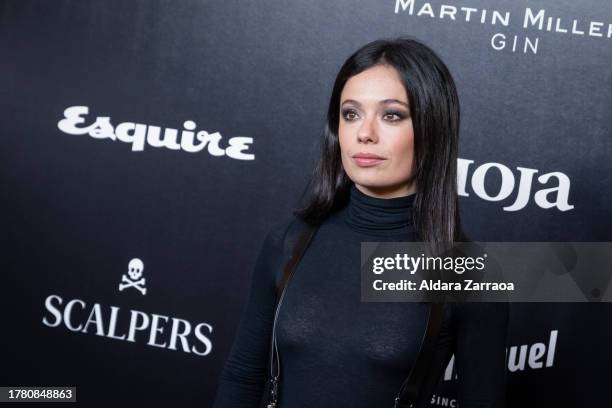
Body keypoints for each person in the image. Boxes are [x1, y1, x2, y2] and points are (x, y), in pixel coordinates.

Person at [212, 37, 509, 408]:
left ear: (432, 128)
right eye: (350, 113)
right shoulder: (290, 241)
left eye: (392, 115)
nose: (364, 133)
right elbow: (241, 376)